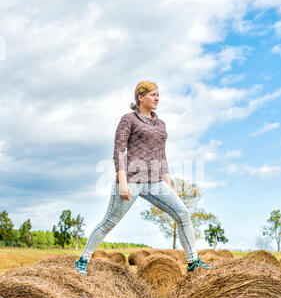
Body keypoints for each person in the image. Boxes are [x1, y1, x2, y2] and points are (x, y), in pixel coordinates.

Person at [74, 81, 211, 275]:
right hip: (131, 179)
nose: (157, 98)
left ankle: (193, 262)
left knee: (183, 214)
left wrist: (168, 183)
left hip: (155, 181)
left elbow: (162, 155)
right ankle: (83, 260)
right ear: (140, 97)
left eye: (158, 95)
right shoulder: (128, 119)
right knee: (109, 222)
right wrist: (122, 181)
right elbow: (118, 151)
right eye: (153, 94)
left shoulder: (161, 124)